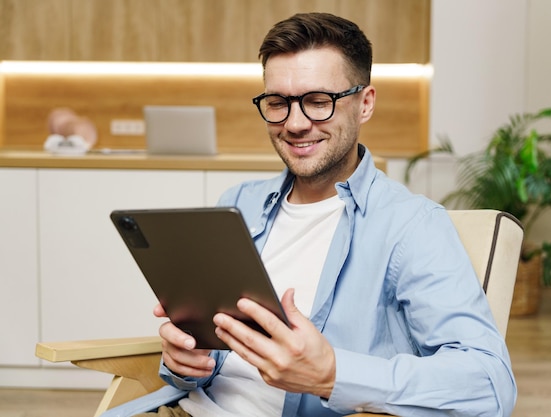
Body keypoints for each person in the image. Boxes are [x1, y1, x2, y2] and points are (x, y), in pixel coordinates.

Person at [135, 12, 516, 417]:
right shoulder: (237, 204)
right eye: (278, 103)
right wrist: (183, 362)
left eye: (319, 102)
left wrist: (332, 374)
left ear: (365, 104)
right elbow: (200, 358)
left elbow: (490, 385)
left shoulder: (411, 226)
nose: (295, 124)